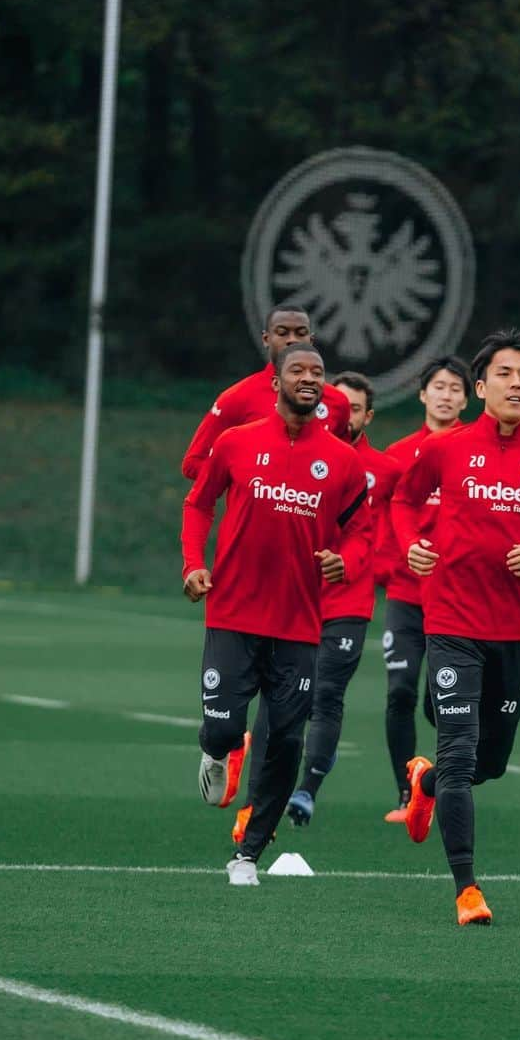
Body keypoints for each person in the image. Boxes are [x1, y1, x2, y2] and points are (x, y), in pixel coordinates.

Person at [390, 327, 520, 925]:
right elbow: (404, 502)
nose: (516, 383)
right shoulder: (447, 448)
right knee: (458, 753)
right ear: (480, 387)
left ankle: (424, 787)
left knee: (490, 764)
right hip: (451, 622)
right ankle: (467, 889)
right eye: (505, 374)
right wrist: (412, 548)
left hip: (513, 631)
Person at [182, 344, 371, 885]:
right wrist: (194, 564)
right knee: (223, 728)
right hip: (233, 614)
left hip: (299, 625)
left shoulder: (341, 460)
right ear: (278, 382)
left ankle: (248, 853)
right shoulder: (236, 443)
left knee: (286, 741)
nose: (309, 379)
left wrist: (347, 560)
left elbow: (362, 533)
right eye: (298, 371)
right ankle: (215, 753)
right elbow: (198, 503)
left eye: (317, 372)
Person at [285, 371, 401, 827]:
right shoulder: (298, 456)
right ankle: (264, 787)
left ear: (367, 416)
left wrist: (371, 566)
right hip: (296, 598)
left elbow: (399, 525)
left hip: (349, 603)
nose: (340, 415)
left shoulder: (386, 471)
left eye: (352, 409)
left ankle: (306, 791)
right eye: (334, 406)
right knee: (287, 698)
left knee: (327, 694)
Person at [380, 356, 471, 820]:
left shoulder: (475, 452)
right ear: (422, 394)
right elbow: (383, 516)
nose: (447, 394)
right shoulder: (398, 455)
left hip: (454, 599)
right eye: (439, 386)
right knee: (399, 691)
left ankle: (434, 782)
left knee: (443, 703)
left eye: (456, 388)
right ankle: (405, 793)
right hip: (404, 596)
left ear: (466, 398)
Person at [181, 306, 349, 481]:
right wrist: (245, 478)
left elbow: (348, 468)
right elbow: (193, 463)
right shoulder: (238, 397)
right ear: (266, 339)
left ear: (311, 340)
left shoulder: (337, 401)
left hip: (313, 508)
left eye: (300, 333)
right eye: (282, 333)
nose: (292, 340)